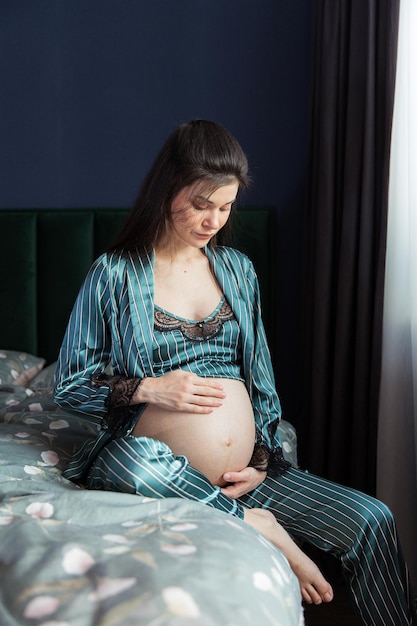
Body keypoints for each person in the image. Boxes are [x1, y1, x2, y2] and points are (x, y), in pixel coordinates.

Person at [54, 119, 416, 625]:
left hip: (243, 475)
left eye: (225, 207)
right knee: (133, 463)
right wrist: (149, 388)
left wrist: (262, 461)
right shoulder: (113, 274)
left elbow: (262, 383)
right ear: (166, 189)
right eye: (201, 204)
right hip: (153, 466)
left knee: (373, 520)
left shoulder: (239, 271)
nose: (213, 221)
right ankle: (254, 523)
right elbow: (69, 384)